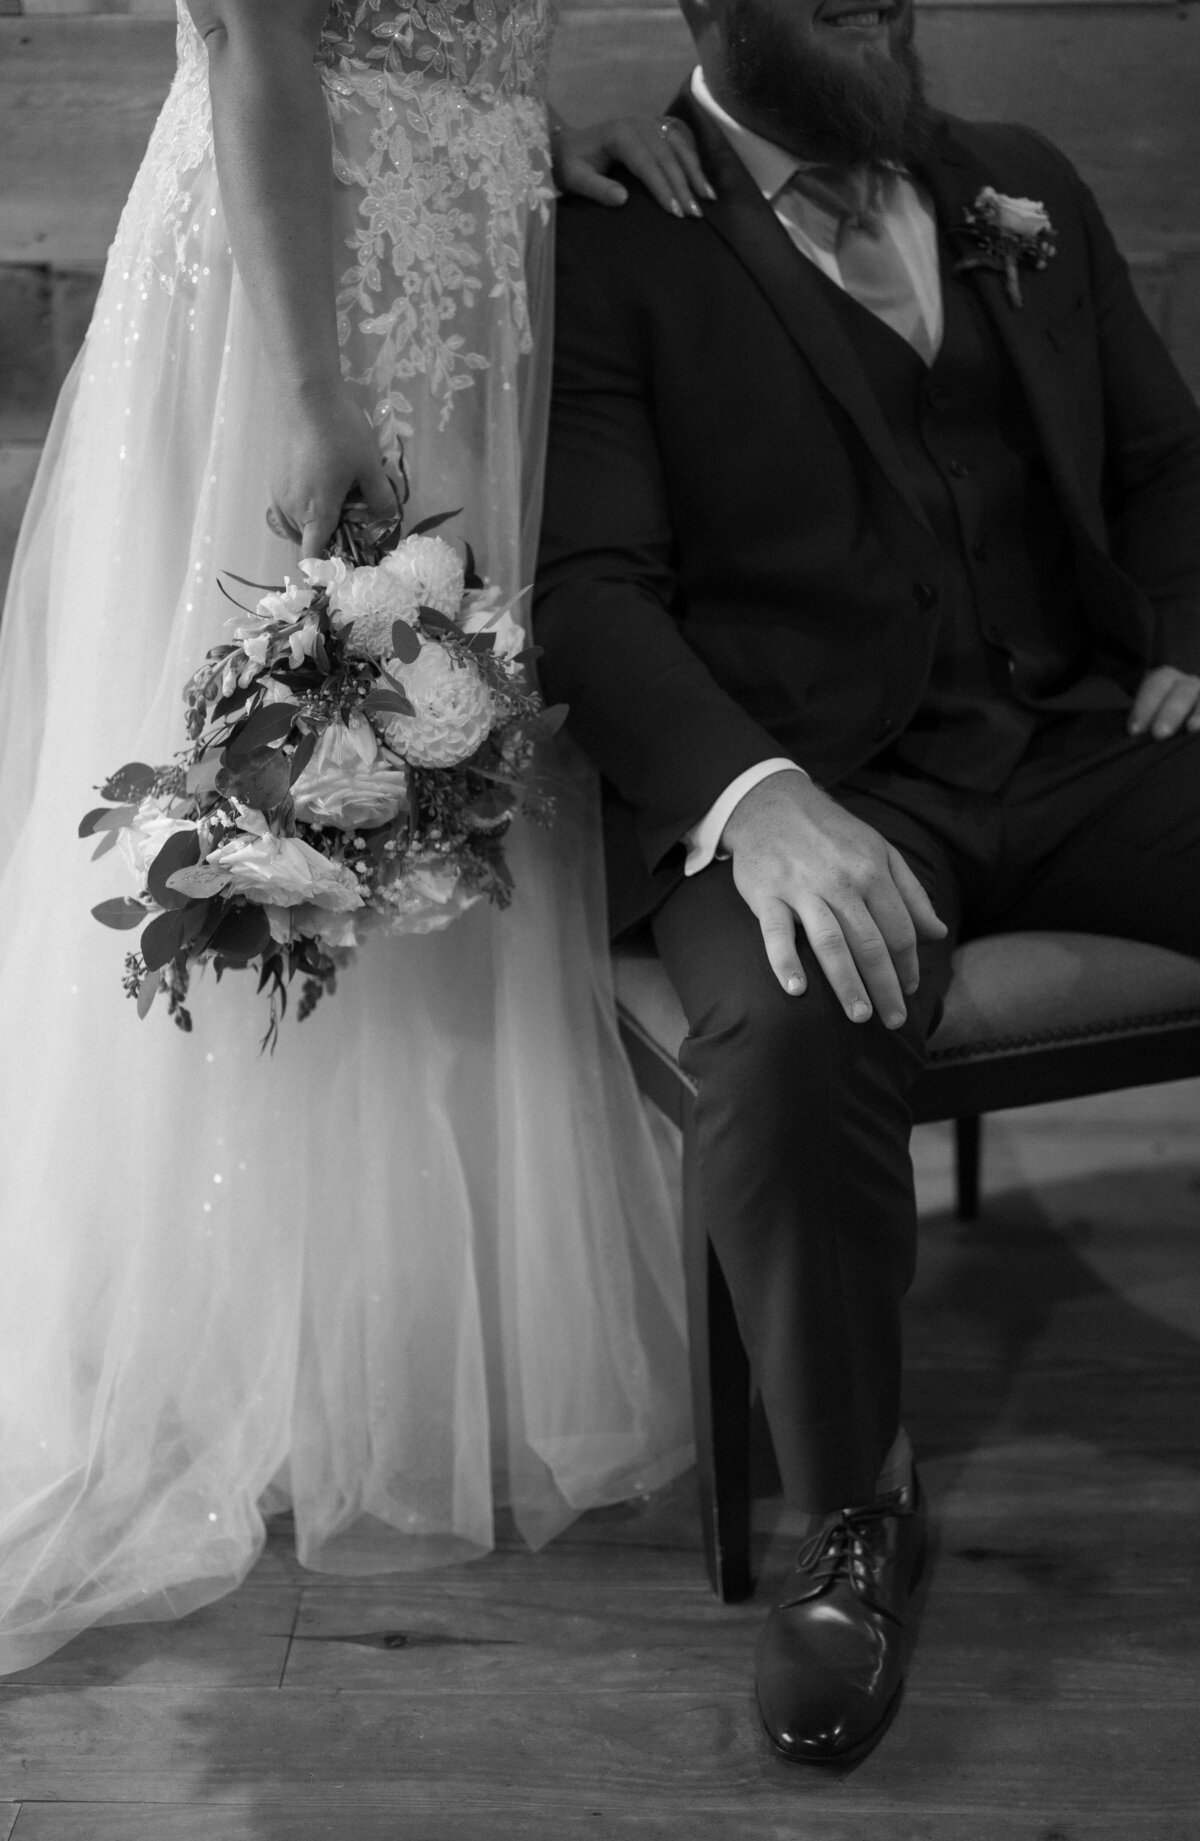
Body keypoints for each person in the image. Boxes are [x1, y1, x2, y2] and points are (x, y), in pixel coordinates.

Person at [0, 0, 713, 1676]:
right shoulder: (302, 349)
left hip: (470, 269)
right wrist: (313, 389)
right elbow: (256, 37)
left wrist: (538, 136)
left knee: (442, 773)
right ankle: (218, 1339)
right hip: (296, 295)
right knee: (294, 760)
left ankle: (405, 1342)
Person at [535, 0, 1200, 1766]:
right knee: (796, 1010)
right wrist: (753, 799)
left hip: (1063, 737)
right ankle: (855, 1512)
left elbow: (1165, 462)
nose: (877, 11)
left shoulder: (1018, 183)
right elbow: (589, 586)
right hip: (810, 780)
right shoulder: (605, 245)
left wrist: (1189, 635)